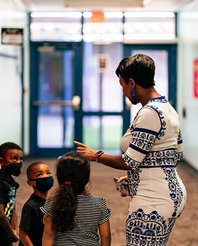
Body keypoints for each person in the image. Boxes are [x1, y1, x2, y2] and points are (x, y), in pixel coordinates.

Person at [74, 54, 187, 246]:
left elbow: (130, 161)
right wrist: (140, 176)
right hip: (171, 193)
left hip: (153, 201)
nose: (123, 91)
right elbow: (175, 157)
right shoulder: (167, 108)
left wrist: (97, 156)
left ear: (132, 82)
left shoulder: (150, 113)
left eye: (122, 85)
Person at [41, 152, 111, 246]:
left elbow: (48, 234)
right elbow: (106, 236)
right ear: (86, 179)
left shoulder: (52, 202)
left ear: (59, 177)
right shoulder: (99, 203)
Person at [19, 162, 54, 246]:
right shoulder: (31, 206)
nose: (45, 176)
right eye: (39, 175)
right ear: (30, 183)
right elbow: (23, 233)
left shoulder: (50, 202)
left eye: (48, 173)